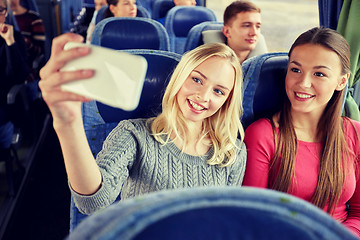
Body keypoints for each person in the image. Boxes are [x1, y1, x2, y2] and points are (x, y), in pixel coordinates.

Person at [38, 33, 247, 215]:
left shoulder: (232, 152)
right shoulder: (134, 135)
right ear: (180, 78)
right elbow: (93, 202)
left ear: (226, 101)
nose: (203, 96)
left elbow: (223, 219)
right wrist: (68, 124)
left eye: (218, 91)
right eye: (197, 80)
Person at [243, 27, 360, 238]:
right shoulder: (263, 135)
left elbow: (359, 213)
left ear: (341, 81)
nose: (303, 83)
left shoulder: (355, 133)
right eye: (295, 70)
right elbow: (255, 218)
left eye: (319, 74)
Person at [0, 0, 29, 194]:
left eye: (0, 10)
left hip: (6, 102)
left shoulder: (14, 38)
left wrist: (9, 43)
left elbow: (19, 76)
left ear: (6, 13)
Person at [9, 0, 45, 80]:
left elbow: (39, 51)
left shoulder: (33, 18)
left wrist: (22, 41)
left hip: (25, 65)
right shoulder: (4, 19)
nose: (11, 1)